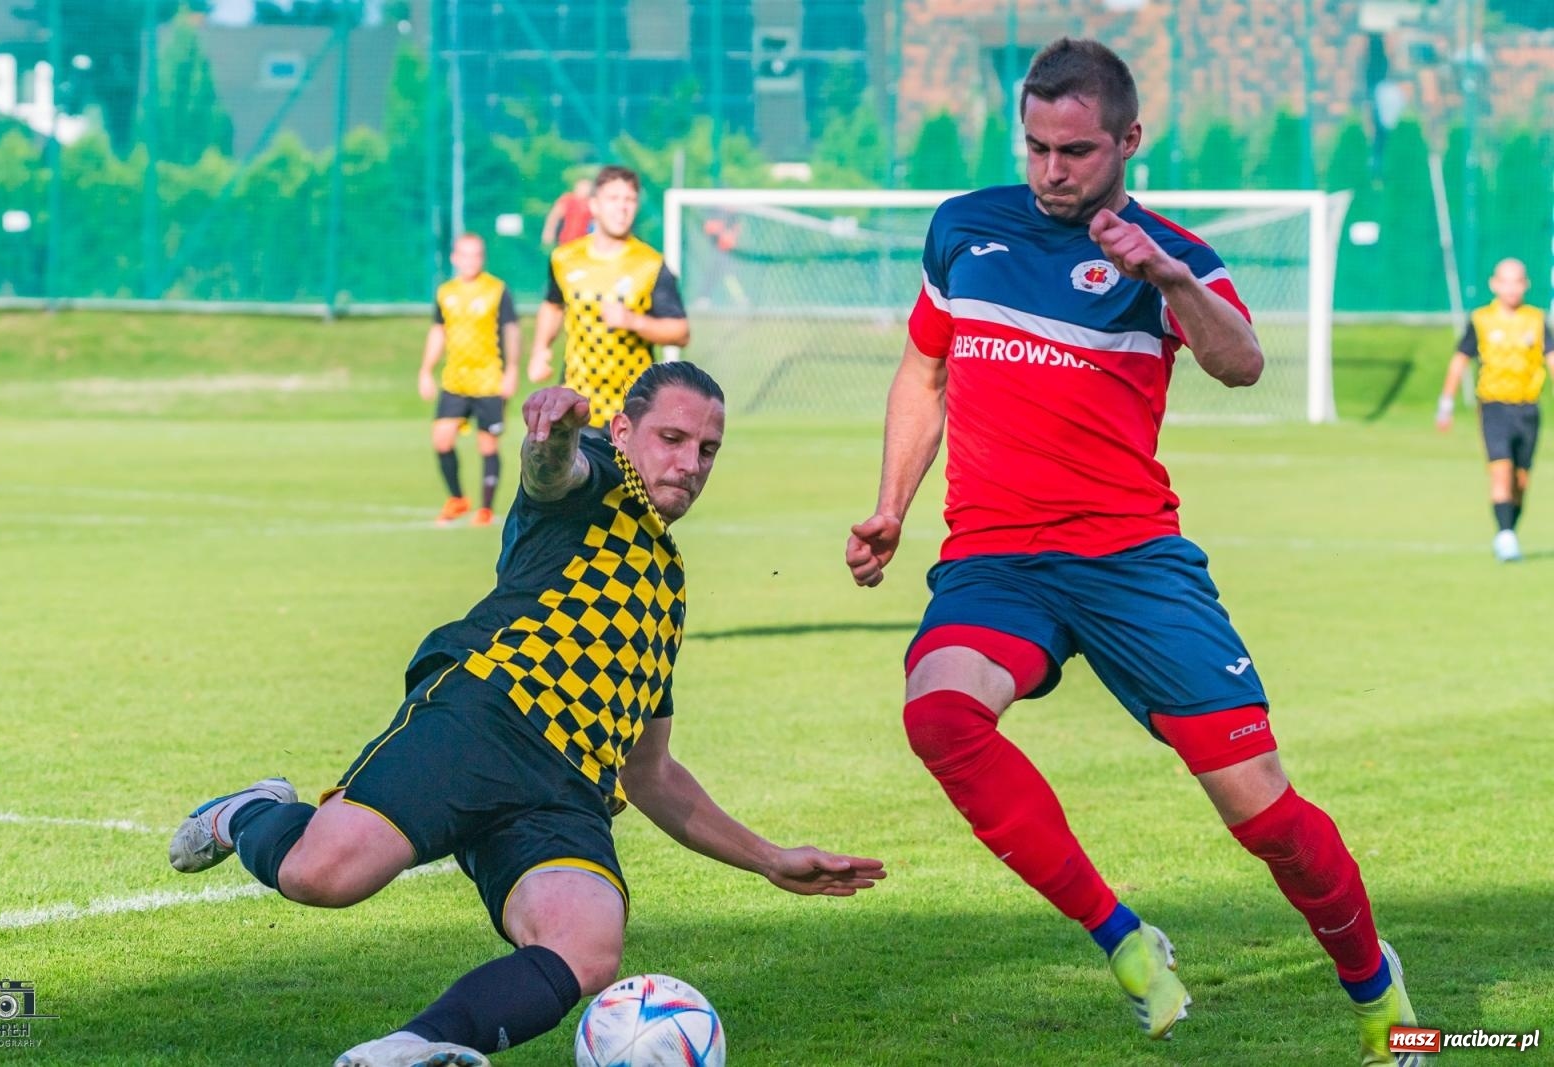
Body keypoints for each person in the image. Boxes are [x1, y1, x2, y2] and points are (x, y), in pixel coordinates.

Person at [844, 38, 1423, 1066]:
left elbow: (1241, 361)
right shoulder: (963, 228)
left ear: (1127, 141)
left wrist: (1161, 274)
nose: (1050, 170)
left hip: (1131, 562)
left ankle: (1383, 1000)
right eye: (1034, 147)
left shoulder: (1170, 254)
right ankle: (1121, 936)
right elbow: (921, 372)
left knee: (1265, 817)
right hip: (995, 558)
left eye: (1073, 150)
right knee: (938, 713)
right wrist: (891, 505)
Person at [170, 363, 885, 1067]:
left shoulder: (667, 586)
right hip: (486, 716)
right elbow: (551, 474)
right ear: (624, 430)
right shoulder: (601, 478)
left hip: (569, 789)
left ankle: (411, 1048)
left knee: (588, 942)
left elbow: (651, 771)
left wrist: (771, 859)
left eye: (707, 450)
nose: (690, 463)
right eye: (671, 437)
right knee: (321, 876)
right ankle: (249, 811)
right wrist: (553, 436)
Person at [529, 165, 690, 430]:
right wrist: (540, 349)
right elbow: (553, 305)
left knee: (623, 473)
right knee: (578, 471)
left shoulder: (649, 264)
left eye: (629, 200)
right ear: (594, 205)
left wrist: (633, 321)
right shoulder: (565, 258)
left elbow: (680, 331)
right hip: (578, 405)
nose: (622, 207)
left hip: (633, 409)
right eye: (613, 199)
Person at [1436, 257, 1554, 562]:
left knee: (1521, 481)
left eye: (1518, 281)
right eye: (1506, 281)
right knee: (1500, 471)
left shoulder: (1536, 319)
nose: (1512, 287)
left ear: (1526, 285)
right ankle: (1505, 538)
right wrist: (1446, 403)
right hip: (1494, 407)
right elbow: (1460, 360)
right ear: (1494, 284)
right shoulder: (1481, 320)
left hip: (1528, 409)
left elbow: (1551, 359)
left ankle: (1508, 532)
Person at [419, 233, 521, 526]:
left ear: (482, 258)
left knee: (487, 445)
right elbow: (439, 331)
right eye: (465, 254)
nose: (470, 260)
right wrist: (426, 370)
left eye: (476, 254)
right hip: (455, 381)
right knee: (441, 438)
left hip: (489, 380)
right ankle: (458, 499)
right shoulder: (445, 293)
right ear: (454, 258)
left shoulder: (496, 290)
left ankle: (485, 509)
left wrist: (511, 370)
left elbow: (511, 331)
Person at [541, 176, 595, 248]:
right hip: (565, 240)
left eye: (587, 187)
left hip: (582, 242)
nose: (584, 190)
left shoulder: (590, 203)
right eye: (582, 186)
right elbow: (554, 217)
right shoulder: (568, 199)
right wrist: (548, 234)